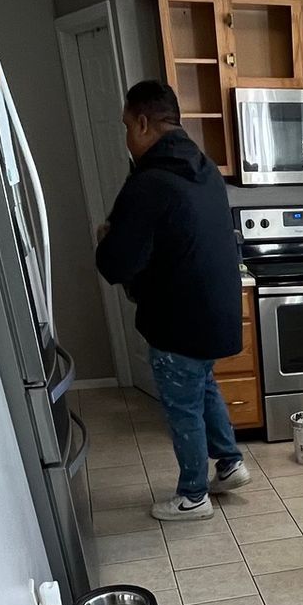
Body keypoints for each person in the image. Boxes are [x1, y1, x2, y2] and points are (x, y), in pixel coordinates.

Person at [94, 79, 249, 521]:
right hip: (215, 312)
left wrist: (104, 238)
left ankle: (193, 496)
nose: (127, 137)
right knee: (203, 387)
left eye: (127, 126)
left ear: (143, 123)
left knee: (183, 404)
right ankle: (230, 463)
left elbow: (116, 264)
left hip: (178, 319)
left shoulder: (150, 182)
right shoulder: (203, 168)